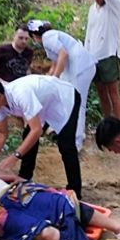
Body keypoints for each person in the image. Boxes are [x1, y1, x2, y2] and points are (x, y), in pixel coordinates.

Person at [0, 74, 83, 199]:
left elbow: (37, 131)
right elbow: (2, 133)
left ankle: (75, 191)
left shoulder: (21, 94)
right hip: (43, 104)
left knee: (66, 145)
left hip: (64, 98)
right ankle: (24, 179)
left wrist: (14, 157)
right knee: (28, 136)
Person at [26, 20, 96, 149]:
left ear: (34, 36)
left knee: (77, 103)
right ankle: (66, 132)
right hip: (78, 68)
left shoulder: (48, 37)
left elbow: (63, 55)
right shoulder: (50, 38)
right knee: (66, 99)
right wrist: (50, 79)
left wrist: (55, 79)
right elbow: (55, 63)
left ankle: (76, 141)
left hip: (81, 68)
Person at [85, 0, 120, 120]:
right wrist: (86, 54)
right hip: (94, 57)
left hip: (109, 54)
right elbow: (89, 33)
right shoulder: (91, 9)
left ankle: (119, 124)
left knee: (113, 91)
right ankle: (108, 122)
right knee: (101, 91)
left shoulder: (114, 6)